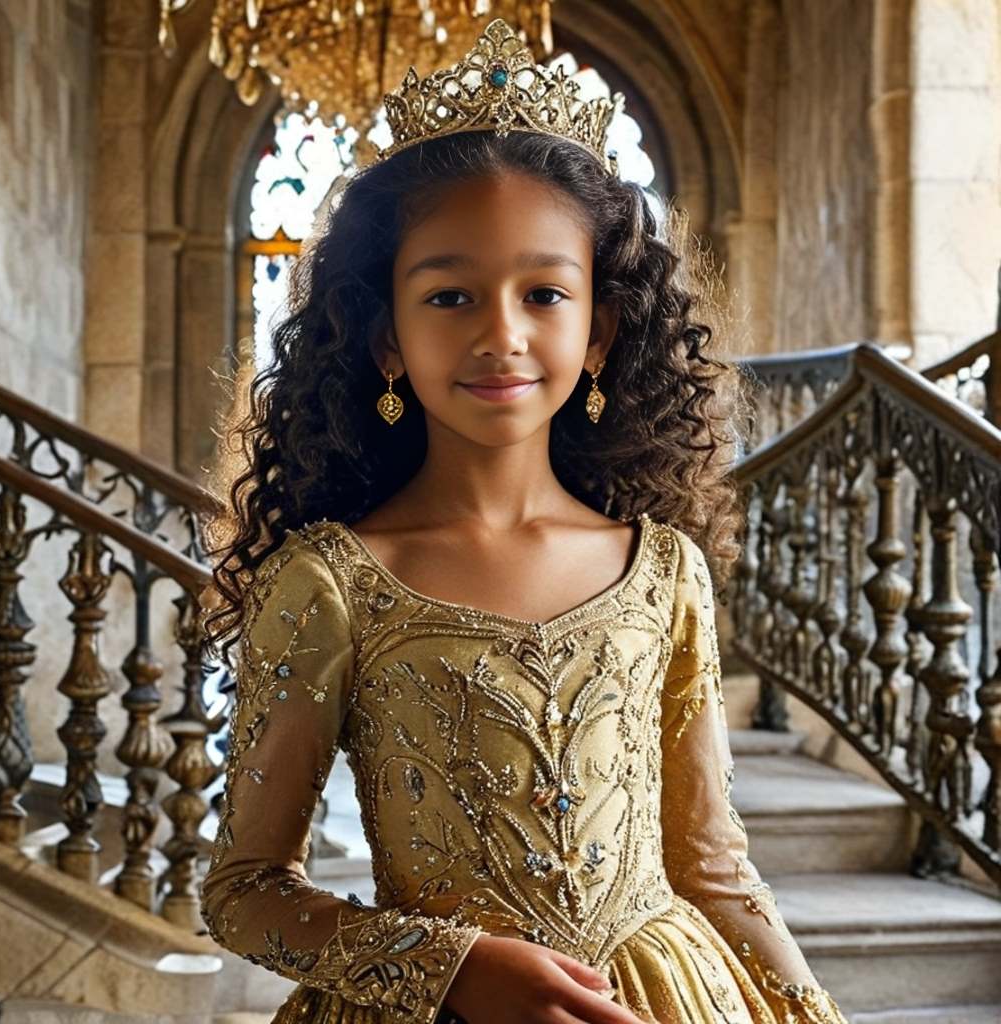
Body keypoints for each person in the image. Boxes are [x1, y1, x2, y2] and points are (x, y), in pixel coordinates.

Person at [199, 17, 847, 1024]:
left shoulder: (665, 569)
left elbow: (713, 868)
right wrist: (450, 966)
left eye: (544, 291)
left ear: (600, 332)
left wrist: (808, 1013)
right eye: (450, 294)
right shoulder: (328, 581)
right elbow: (243, 893)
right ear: (385, 341)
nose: (500, 333)